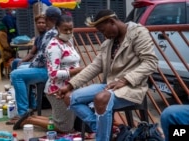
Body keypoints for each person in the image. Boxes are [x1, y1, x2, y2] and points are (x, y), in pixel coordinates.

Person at [56, 9, 158, 141]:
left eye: (103, 30)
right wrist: (70, 85)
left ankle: (102, 137)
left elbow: (151, 62)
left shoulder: (138, 33)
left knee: (101, 98)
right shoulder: (109, 43)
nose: (104, 35)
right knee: (70, 97)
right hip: (110, 86)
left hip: (133, 86)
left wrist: (125, 80)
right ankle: (102, 130)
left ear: (112, 22)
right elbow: (94, 67)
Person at [14, 14, 84, 133]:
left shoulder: (68, 42)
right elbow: (53, 73)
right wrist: (76, 71)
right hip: (57, 90)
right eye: (65, 29)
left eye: (70, 29)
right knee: (64, 128)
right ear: (57, 29)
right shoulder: (54, 46)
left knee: (64, 122)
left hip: (70, 87)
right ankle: (29, 120)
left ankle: (33, 117)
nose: (68, 32)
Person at [7, 7, 62, 130]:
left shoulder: (51, 33)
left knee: (16, 75)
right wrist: (27, 63)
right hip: (48, 67)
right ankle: (28, 106)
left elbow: (42, 57)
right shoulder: (55, 31)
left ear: (48, 19)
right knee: (18, 67)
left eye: (44, 20)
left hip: (48, 70)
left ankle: (23, 113)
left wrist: (30, 65)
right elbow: (37, 54)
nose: (42, 23)